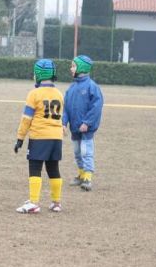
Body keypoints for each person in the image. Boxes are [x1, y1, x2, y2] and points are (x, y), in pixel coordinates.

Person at [14, 59, 64, 214]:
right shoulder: (59, 93)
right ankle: (56, 202)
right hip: (56, 137)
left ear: (39, 74)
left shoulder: (34, 94)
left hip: (40, 136)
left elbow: (26, 119)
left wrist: (20, 138)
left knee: (35, 167)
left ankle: (34, 203)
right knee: (53, 168)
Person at [63, 55, 104, 192]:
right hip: (75, 128)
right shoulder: (71, 88)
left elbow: (96, 107)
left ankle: (87, 178)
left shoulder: (92, 87)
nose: (71, 68)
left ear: (82, 67)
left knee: (86, 152)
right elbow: (66, 107)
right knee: (77, 152)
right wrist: (64, 123)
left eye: (73, 66)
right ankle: (81, 175)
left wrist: (87, 123)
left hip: (87, 130)